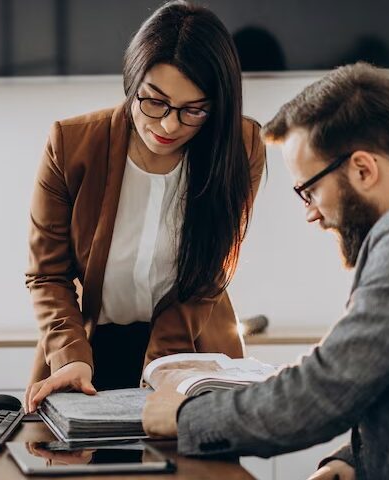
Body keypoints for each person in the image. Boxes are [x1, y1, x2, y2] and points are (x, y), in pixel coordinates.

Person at [142, 62, 389, 479]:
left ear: (363, 169)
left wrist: (188, 416)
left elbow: (327, 388)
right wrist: (351, 460)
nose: (310, 213)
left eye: (309, 190)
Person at [24, 1, 266, 413]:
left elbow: (212, 271)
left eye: (194, 110)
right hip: (87, 351)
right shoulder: (72, 143)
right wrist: (70, 354)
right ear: (131, 82)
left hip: (192, 349)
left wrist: (163, 365)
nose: (170, 125)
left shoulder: (240, 148)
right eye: (154, 102)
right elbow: (47, 274)